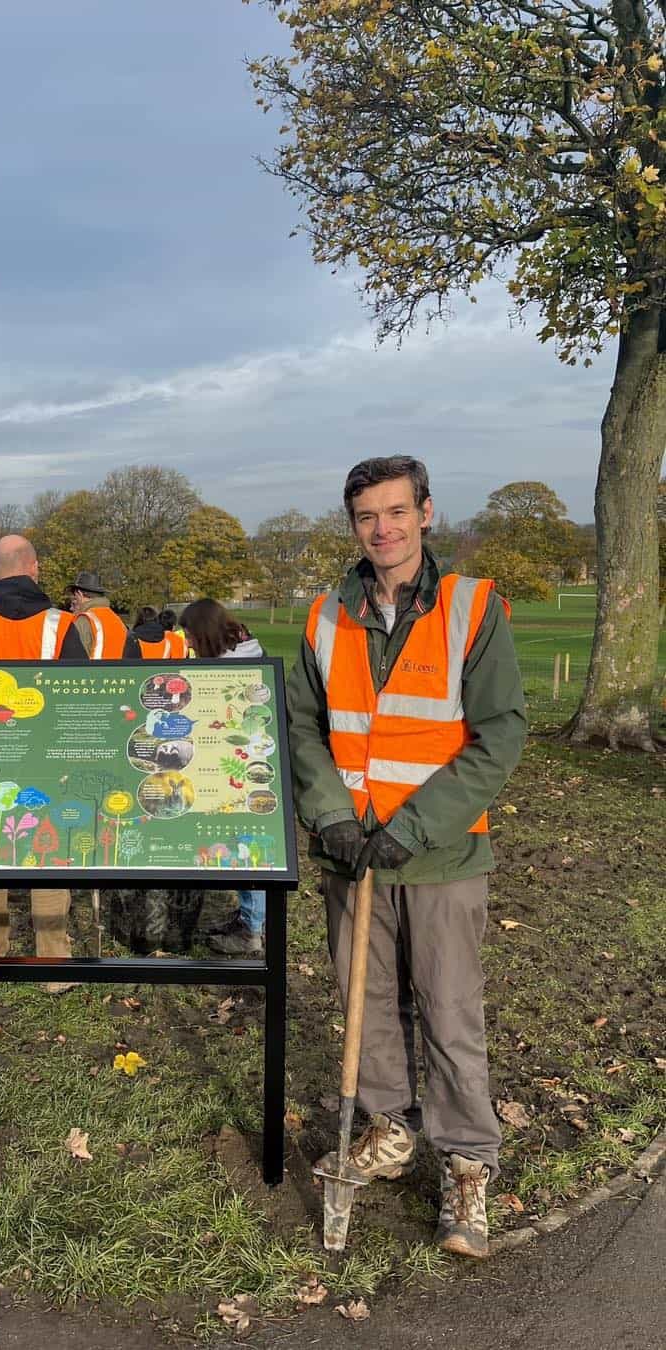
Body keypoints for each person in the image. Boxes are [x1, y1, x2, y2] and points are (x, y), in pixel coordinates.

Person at [286, 455, 526, 1260]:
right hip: (352, 857)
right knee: (369, 1008)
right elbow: (303, 732)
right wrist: (332, 818)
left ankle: (467, 1165)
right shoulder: (324, 616)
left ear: (425, 513)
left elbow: (500, 737)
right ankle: (388, 1130)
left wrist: (411, 828)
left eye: (396, 512)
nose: (382, 529)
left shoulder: (471, 608)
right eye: (366, 517)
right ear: (352, 525)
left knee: (451, 1014)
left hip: (442, 857)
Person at [0, 534, 86, 988]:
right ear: (35, 569)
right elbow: (76, 699)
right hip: (47, 759)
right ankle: (53, 965)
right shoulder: (61, 625)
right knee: (50, 853)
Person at [177, 598, 267, 956]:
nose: (187, 643)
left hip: (239, 771)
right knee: (241, 845)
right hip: (238, 766)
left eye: (190, 635)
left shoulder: (230, 670)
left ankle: (253, 929)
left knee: (247, 846)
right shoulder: (246, 652)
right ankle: (249, 917)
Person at [67, 571, 129, 659]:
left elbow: (75, 659)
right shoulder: (117, 619)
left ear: (79, 594)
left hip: (92, 672)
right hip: (120, 672)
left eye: (74, 596)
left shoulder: (84, 620)